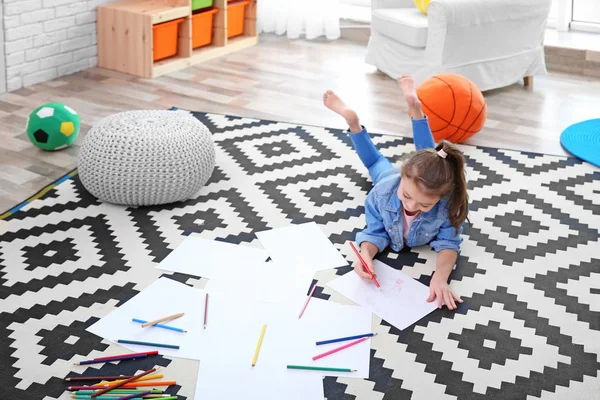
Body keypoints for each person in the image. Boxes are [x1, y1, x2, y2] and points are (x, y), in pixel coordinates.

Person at [323, 76, 469, 310]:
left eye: (424, 205)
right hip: (388, 178)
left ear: (440, 199)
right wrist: (365, 256)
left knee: (431, 157)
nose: (411, 207)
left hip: (424, 178)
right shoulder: (384, 191)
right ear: (401, 176)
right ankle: (354, 123)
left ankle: (415, 108)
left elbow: (449, 243)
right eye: (407, 196)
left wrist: (440, 277)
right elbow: (375, 232)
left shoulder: (447, 204)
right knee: (375, 163)